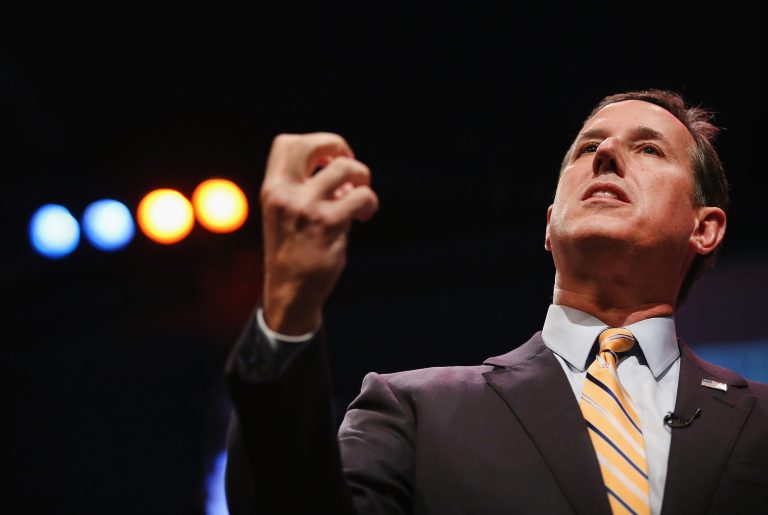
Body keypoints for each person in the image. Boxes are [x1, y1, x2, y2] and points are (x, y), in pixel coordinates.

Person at [223, 90, 768, 514]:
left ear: (705, 228)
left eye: (648, 148)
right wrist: (288, 306)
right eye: (587, 147)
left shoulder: (760, 421)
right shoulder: (414, 411)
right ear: (551, 225)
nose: (605, 153)